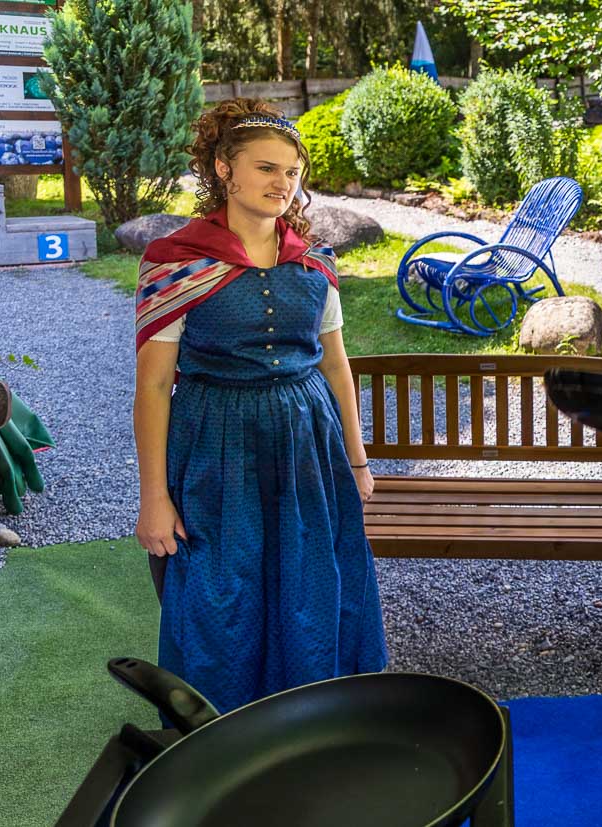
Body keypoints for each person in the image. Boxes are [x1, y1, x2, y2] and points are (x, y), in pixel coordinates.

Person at [133, 99, 387, 714]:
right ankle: (219, 726)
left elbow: (335, 366)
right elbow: (154, 387)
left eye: (292, 172)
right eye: (267, 168)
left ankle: (311, 716)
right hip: (216, 443)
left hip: (307, 442)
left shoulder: (315, 260)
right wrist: (154, 497)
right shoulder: (175, 262)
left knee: (311, 578)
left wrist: (357, 461)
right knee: (221, 588)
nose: (283, 184)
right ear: (225, 169)